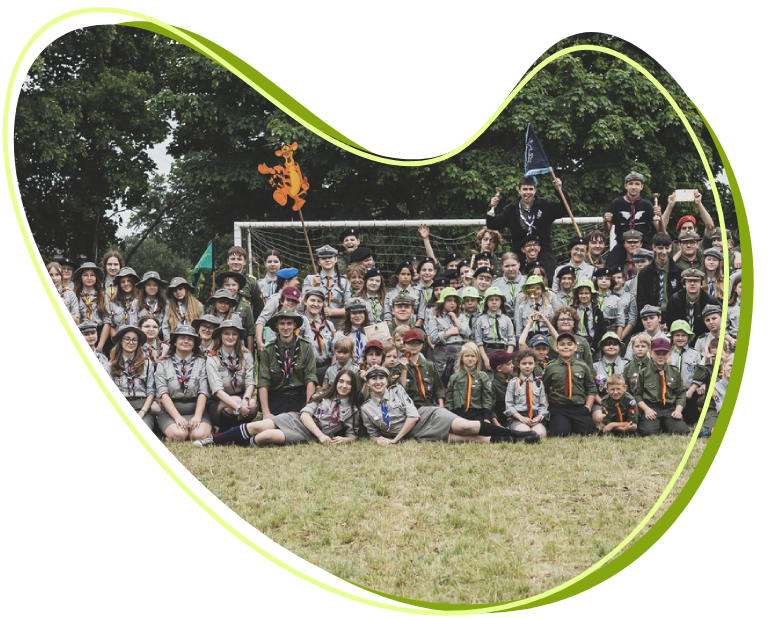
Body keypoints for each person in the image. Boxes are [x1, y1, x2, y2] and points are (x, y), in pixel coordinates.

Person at [360, 365, 539, 444]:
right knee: (469, 439)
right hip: (415, 435)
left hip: (427, 417)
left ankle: (514, 433)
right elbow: (373, 433)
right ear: (367, 383)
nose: (378, 382)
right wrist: (378, 440)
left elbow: (413, 416)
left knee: (466, 427)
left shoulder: (397, 389)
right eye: (373, 379)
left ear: (386, 380)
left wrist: (395, 440)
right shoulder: (366, 408)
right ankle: (514, 441)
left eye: (381, 378)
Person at [196, 369, 360, 448]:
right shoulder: (323, 396)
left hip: (306, 435)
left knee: (265, 436)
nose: (344, 386)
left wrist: (346, 439)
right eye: (341, 381)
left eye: (348, 383)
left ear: (353, 387)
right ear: (335, 382)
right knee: (257, 426)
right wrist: (321, 435)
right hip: (296, 420)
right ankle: (214, 440)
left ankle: (233, 442)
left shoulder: (352, 411)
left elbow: (352, 434)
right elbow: (304, 415)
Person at [486, 176, 570, 283]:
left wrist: (559, 190)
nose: (528, 192)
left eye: (531, 189)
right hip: (519, 250)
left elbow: (565, 209)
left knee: (548, 277)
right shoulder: (511, 209)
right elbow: (493, 225)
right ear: (519, 191)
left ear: (535, 190)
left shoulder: (545, 205)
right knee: (515, 278)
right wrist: (492, 208)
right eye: (525, 189)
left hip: (543, 249)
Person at [155, 324, 211, 442]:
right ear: (175, 342)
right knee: (178, 435)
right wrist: (177, 417)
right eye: (182, 338)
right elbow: (163, 394)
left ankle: (203, 429)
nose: (186, 341)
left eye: (190, 339)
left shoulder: (202, 362)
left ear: (194, 343)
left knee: (198, 435)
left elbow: (203, 391)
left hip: (195, 409)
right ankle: (172, 431)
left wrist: (197, 417)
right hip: (171, 412)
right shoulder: (163, 363)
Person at [257, 309, 317, 419]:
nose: (285, 327)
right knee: (273, 424)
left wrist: (308, 410)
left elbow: (310, 378)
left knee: (300, 423)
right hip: (277, 395)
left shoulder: (306, 347)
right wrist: (266, 413)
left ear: (294, 325)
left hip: (299, 396)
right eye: (282, 323)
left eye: (289, 323)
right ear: (276, 326)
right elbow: (263, 381)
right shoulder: (268, 350)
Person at [541, 332, 598, 436]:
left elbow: (591, 388)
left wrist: (588, 407)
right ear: (556, 347)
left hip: (578, 407)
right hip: (558, 408)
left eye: (569, 344)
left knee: (588, 433)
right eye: (562, 344)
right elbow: (544, 389)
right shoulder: (550, 367)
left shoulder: (583, 366)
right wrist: (547, 406)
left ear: (575, 347)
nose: (566, 347)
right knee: (560, 433)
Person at [205, 319, 257, 431]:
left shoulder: (246, 355)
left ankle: (238, 430)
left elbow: (250, 381)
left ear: (238, 337)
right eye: (226, 333)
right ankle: (224, 430)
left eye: (234, 334)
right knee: (236, 401)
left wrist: (245, 400)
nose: (230, 337)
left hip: (241, 397)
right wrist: (238, 406)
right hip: (218, 402)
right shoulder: (212, 358)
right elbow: (217, 391)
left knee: (252, 404)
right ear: (220, 336)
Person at [603, 171, 662, 268]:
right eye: (631, 184)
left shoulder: (647, 204)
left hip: (643, 243)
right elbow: (607, 229)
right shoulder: (616, 203)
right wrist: (605, 221)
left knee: (656, 266)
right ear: (625, 186)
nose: (634, 187)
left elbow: (659, 229)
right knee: (609, 268)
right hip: (622, 243)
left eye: (637, 184)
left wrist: (660, 217)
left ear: (642, 186)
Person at [634, 338, 688, 436]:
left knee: (681, 431)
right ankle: (658, 424)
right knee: (648, 432)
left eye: (664, 353)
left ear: (669, 354)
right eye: (657, 353)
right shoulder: (644, 372)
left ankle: (665, 423)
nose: (661, 357)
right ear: (651, 353)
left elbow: (681, 394)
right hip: (651, 408)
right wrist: (646, 409)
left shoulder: (675, 372)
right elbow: (637, 395)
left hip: (669, 408)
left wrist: (678, 410)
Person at [108, 324, 156, 432]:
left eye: (134, 340)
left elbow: (151, 391)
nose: (131, 342)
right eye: (127, 339)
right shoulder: (111, 365)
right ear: (121, 341)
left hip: (142, 407)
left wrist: (142, 412)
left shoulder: (147, 363)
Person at [635, 232, 683, 325]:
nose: (664, 252)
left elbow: (681, 301)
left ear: (671, 247)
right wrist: (655, 322)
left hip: (674, 319)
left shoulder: (679, 272)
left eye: (667, 248)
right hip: (651, 319)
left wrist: (670, 322)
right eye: (660, 248)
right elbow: (642, 301)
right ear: (654, 247)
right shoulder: (644, 273)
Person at [444, 342, 497, 424]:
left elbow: (487, 398)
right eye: (467, 356)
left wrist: (487, 417)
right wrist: (450, 416)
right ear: (461, 358)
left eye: (473, 356)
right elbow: (449, 399)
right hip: (458, 414)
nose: (470, 359)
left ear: (477, 358)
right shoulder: (454, 377)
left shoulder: (483, 377)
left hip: (477, 413)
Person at [504, 349, 548, 439]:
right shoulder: (513, 383)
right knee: (527, 432)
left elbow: (543, 405)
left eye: (530, 363)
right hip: (518, 419)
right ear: (518, 365)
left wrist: (539, 417)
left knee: (540, 433)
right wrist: (521, 418)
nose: (527, 366)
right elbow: (509, 405)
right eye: (524, 363)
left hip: (534, 419)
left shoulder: (538, 383)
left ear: (534, 364)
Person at [303, 245, 350, 328]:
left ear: (335, 259)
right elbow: (302, 304)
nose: (327, 260)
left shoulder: (344, 281)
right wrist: (313, 286)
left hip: (338, 324)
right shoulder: (310, 279)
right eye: (323, 258)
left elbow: (349, 307)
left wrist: (332, 312)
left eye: (330, 257)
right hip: (314, 322)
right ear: (318, 262)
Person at [426, 287, 469, 378]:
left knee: (459, 377)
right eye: (449, 300)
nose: (453, 303)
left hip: (459, 350)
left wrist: (455, 319)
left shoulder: (461, 316)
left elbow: (468, 333)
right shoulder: (435, 317)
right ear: (443, 302)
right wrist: (448, 333)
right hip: (442, 351)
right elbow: (433, 338)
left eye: (455, 301)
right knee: (442, 378)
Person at [665, 268, 719, 341]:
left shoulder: (709, 301)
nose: (692, 284)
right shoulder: (675, 299)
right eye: (689, 281)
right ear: (684, 284)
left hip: (704, 338)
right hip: (680, 338)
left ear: (701, 284)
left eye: (696, 281)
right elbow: (670, 323)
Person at [669, 319, 703, 425]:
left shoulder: (695, 354)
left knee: (690, 420)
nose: (680, 338)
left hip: (689, 392)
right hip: (671, 392)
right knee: (672, 418)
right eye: (677, 335)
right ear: (672, 337)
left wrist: (692, 390)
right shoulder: (667, 353)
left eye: (683, 335)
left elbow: (700, 374)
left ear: (688, 337)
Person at [474, 287, 516, 372]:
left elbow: (511, 340)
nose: (494, 302)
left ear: (501, 302)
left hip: (503, 351)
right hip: (487, 352)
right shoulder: (480, 319)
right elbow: (478, 341)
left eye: (497, 300)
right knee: (488, 376)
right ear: (486, 302)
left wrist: (507, 358)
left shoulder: (507, 319)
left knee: (502, 376)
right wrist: (485, 359)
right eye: (491, 300)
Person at [73, 261, 110, 351]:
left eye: (92, 275)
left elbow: (107, 322)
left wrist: (100, 346)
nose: (89, 278)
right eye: (85, 275)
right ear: (81, 277)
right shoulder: (74, 295)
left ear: (96, 277)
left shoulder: (103, 296)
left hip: (98, 334)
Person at [162, 276, 203, 341]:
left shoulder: (198, 305)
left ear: (186, 289)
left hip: (192, 340)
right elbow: (165, 327)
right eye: (175, 290)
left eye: (180, 289)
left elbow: (202, 326)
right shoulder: (169, 307)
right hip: (175, 341)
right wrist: (168, 341)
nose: (178, 292)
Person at [136, 271, 168, 336]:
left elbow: (166, 325)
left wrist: (166, 340)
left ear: (159, 287)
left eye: (155, 285)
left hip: (159, 337)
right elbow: (133, 323)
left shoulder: (165, 303)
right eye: (148, 285)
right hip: (141, 336)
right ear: (144, 287)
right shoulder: (136, 302)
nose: (152, 287)